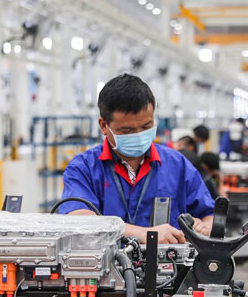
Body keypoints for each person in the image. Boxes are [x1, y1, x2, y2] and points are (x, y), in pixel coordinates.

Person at [59, 74, 215, 244]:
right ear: (104, 126)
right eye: (127, 130)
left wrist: (205, 227)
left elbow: (209, 214)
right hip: (103, 267)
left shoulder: (178, 165)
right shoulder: (83, 168)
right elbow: (80, 220)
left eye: (146, 127)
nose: (139, 135)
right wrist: (143, 234)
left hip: (170, 269)